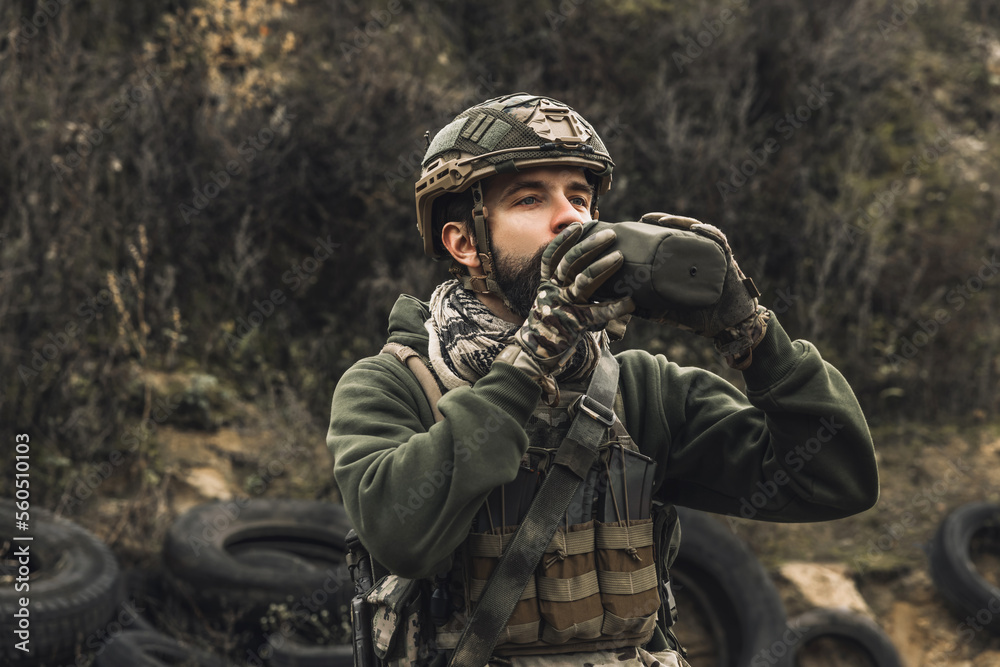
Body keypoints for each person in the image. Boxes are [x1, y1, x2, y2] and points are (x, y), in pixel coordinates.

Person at [327, 93, 879, 667]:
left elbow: (832, 479)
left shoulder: (638, 391)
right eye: (530, 198)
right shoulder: (394, 386)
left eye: (581, 197)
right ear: (464, 243)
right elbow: (400, 532)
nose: (571, 216)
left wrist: (752, 336)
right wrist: (530, 358)